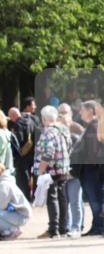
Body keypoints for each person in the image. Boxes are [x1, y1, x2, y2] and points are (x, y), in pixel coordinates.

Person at [35, 105, 73, 239]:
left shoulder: (47, 132)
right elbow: (69, 147)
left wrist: (41, 170)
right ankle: (63, 228)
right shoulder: (63, 130)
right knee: (62, 198)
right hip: (63, 168)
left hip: (51, 170)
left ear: (44, 118)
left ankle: (54, 229)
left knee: (52, 198)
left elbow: (48, 153)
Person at [72, 101, 104, 236]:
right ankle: (97, 225)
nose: (80, 113)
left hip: (93, 170)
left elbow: (93, 151)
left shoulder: (95, 126)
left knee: (95, 199)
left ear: (91, 110)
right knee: (94, 199)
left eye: (82, 110)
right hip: (91, 169)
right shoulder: (92, 126)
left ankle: (99, 226)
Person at [0, 160, 32, 240]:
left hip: (21, 215)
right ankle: (9, 230)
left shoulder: (3, 185)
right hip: (16, 214)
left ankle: (12, 230)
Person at [59, 103, 85, 236]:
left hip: (74, 171)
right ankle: (68, 226)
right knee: (66, 200)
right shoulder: (56, 130)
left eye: (65, 112)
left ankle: (78, 226)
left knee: (75, 200)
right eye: (60, 112)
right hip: (62, 172)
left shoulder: (78, 129)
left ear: (70, 114)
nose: (62, 115)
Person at [10, 97, 40, 200]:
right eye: (33, 104)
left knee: (23, 177)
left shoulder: (19, 122)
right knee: (34, 175)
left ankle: (25, 197)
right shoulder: (35, 119)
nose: (35, 106)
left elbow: (18, 139)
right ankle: (36, 196)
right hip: (34, 152)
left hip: (23, 154)